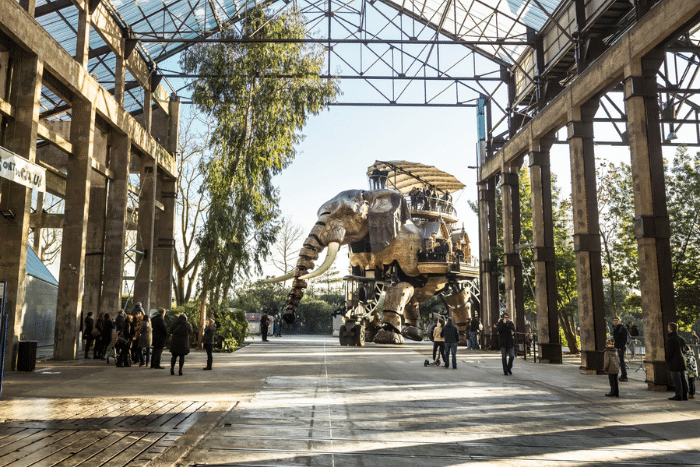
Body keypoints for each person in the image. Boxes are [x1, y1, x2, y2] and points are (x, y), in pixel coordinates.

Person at [666, 322, 688, 401]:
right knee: (683, 379)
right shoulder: (681, 339)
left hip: (674, 362)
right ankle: (685, 395)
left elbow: (669, 352)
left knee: (676, 380)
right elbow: (684, 350)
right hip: (682, 361)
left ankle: (678, 395)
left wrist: (667, 360)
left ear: (670, 329)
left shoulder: (671, 339)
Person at [612, 317, 629, 382]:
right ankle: (621, 375)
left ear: (619, 321)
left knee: (621, 362)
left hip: (620, 347)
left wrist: (621, 347)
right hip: (617, 347)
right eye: (614, 320)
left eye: (616, 320)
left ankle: (624, 375)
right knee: (619, 362)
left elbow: (624, 339)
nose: (615, 322)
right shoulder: (615, 328)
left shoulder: (622, 328)